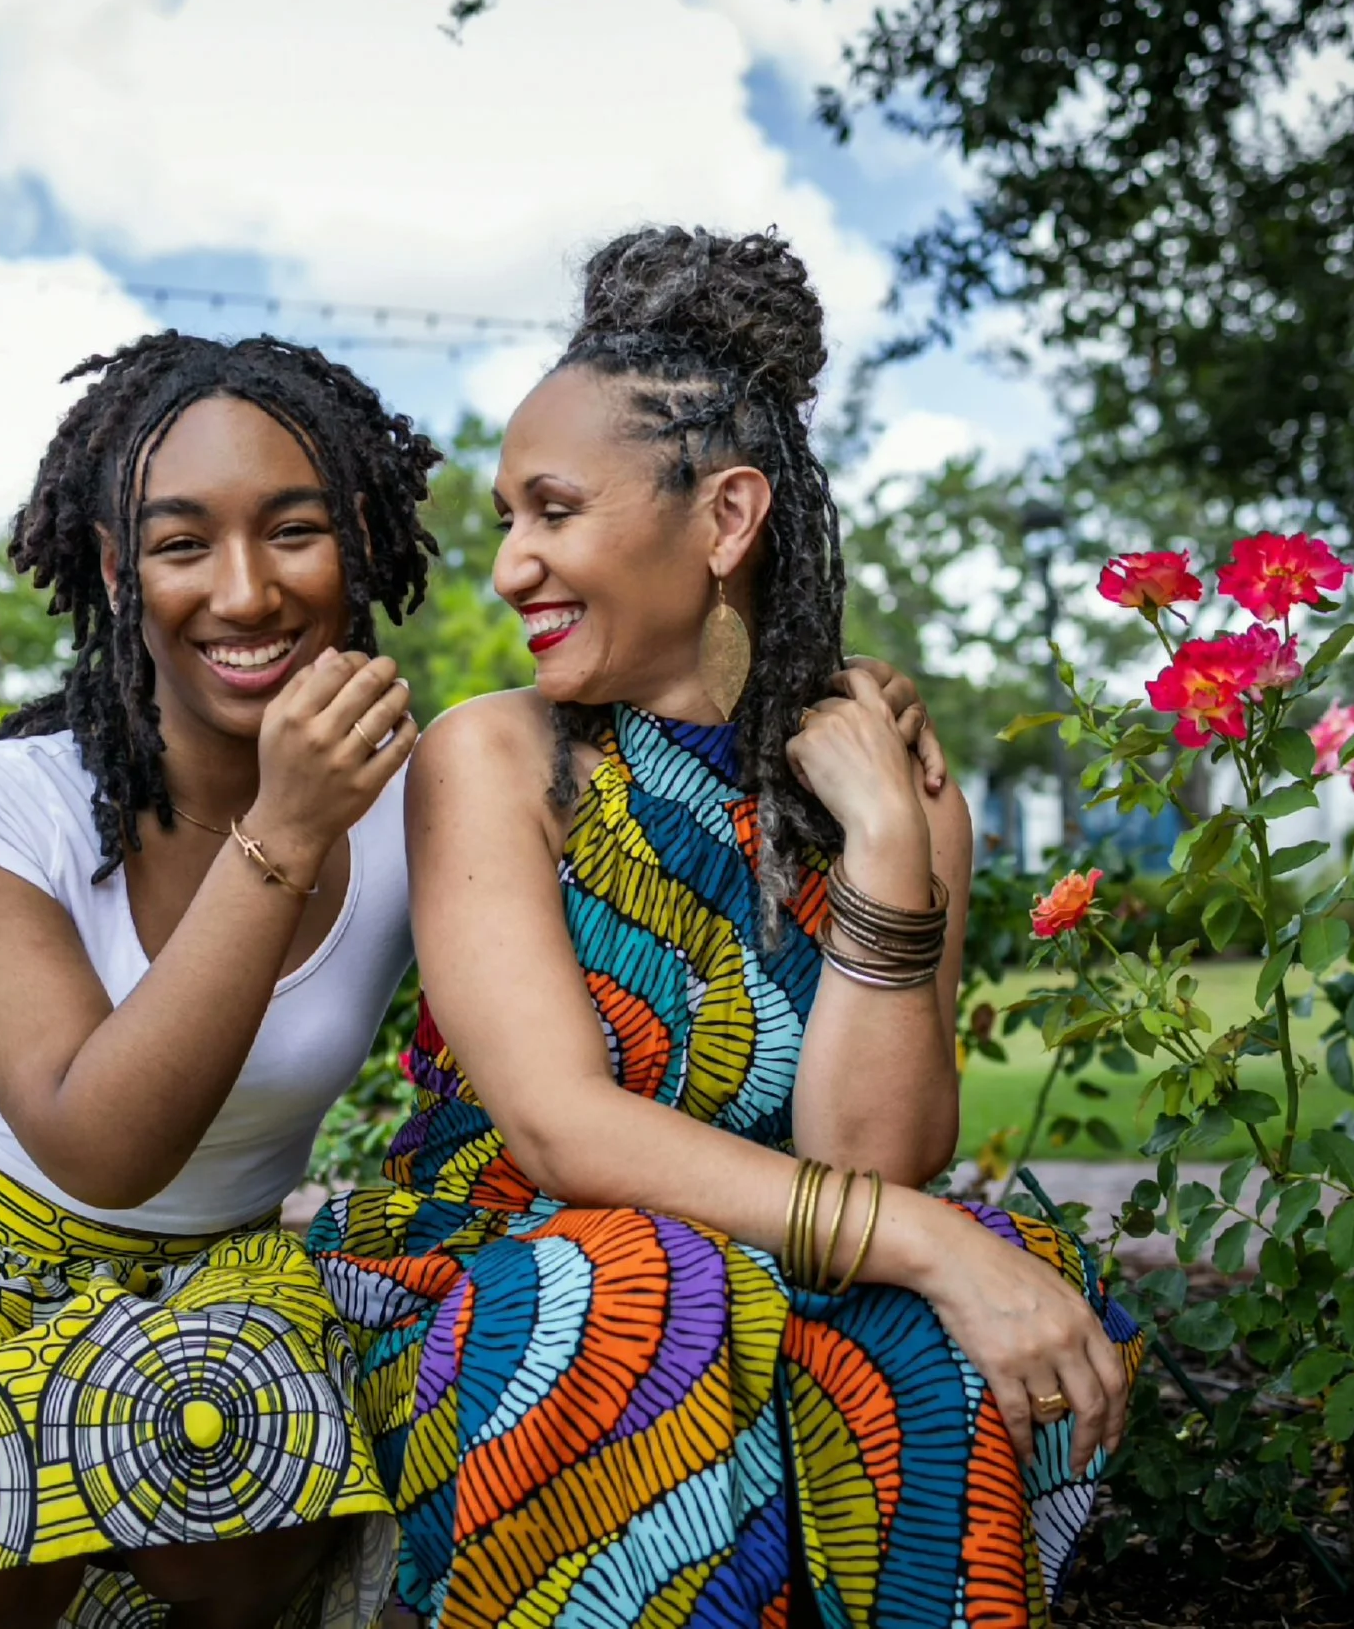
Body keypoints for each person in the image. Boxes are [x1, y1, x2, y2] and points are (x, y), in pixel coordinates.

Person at [0, 328, 948, 1629]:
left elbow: (649, 729)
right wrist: (284, 831)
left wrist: (833, 687)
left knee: (234, 1512)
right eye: (181, 542)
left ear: (361, 544)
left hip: (218, 1273)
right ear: (112, 568)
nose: (246, 590)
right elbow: (100, 1147)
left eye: (295, 531)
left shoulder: (412, 797)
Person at [307, 228, 1146, 1629]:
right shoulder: (499, 758)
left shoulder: (893, 782)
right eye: (508, 520)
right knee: (640, 1292)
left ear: (726, 518)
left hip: (808, 1258)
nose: (510, 566)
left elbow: (871, 1158)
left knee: (932, 1343)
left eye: (553, 512)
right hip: (518, 1266)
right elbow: (563, 1135)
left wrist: (885, 849)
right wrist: (940, 1243)